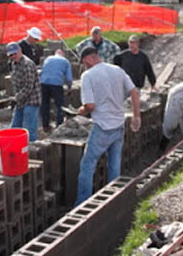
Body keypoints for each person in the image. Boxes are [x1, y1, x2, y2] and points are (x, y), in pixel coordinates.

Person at [75, 46, 141, 206]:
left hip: (102, 127)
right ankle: (113, 199)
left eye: (84, 63)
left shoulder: (88, 75)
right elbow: (134, 91)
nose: (85, 66)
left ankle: (82, 203)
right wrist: (136, 115)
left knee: (88, 165)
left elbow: (90, 105)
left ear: (89, 58)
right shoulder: (117, 70)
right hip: (119, 125)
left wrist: (81, 110)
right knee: (114, 164)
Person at [7, 42, 41, 142]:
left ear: (20, 51)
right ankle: (14, 149)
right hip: (21, 100)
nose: (13, 56)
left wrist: (16, 98)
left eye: (14, 54)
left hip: (31, 100)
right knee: (15, 127)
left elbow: (28, 86)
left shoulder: (27, 64)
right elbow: (16, 83)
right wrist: (17, 99)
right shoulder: (14, 64)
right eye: (11, 55)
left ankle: (30, 152)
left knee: (28, 130)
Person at [40, 49, 73, 132]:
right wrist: (69, 88)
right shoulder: (65, 61)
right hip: (56, 84)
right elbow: (69, 78)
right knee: (60, 106)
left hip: (44, 83)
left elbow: (42, 71)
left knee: (45, 105)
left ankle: (45, 126)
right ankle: (59, 126)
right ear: (63, 55)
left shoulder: (47, 59)